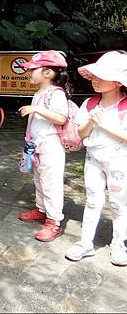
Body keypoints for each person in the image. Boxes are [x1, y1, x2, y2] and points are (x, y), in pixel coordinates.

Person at [65, 51, 127, 265]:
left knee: (119, 205)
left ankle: (119, 243)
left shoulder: (124, 106)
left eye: (102, 76)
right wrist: (92, 123)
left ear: (118, 81)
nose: (95, 81)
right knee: (92, 201)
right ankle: (85, 242)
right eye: (95, 76)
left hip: (119, 161)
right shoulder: (90, 104)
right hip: (93, 158)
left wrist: (104, 125)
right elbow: (81, 134)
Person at [17, 50, 69, 242]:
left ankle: (54, 221)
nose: (30, 73)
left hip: (51, 144)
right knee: (39, 179)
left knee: (51, 183)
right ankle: (41, 209)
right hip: (37, 143)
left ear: (48, 73)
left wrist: (36, 108)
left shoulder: (56, 93)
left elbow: (61, 118)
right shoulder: (41, 92)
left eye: (33, 69)